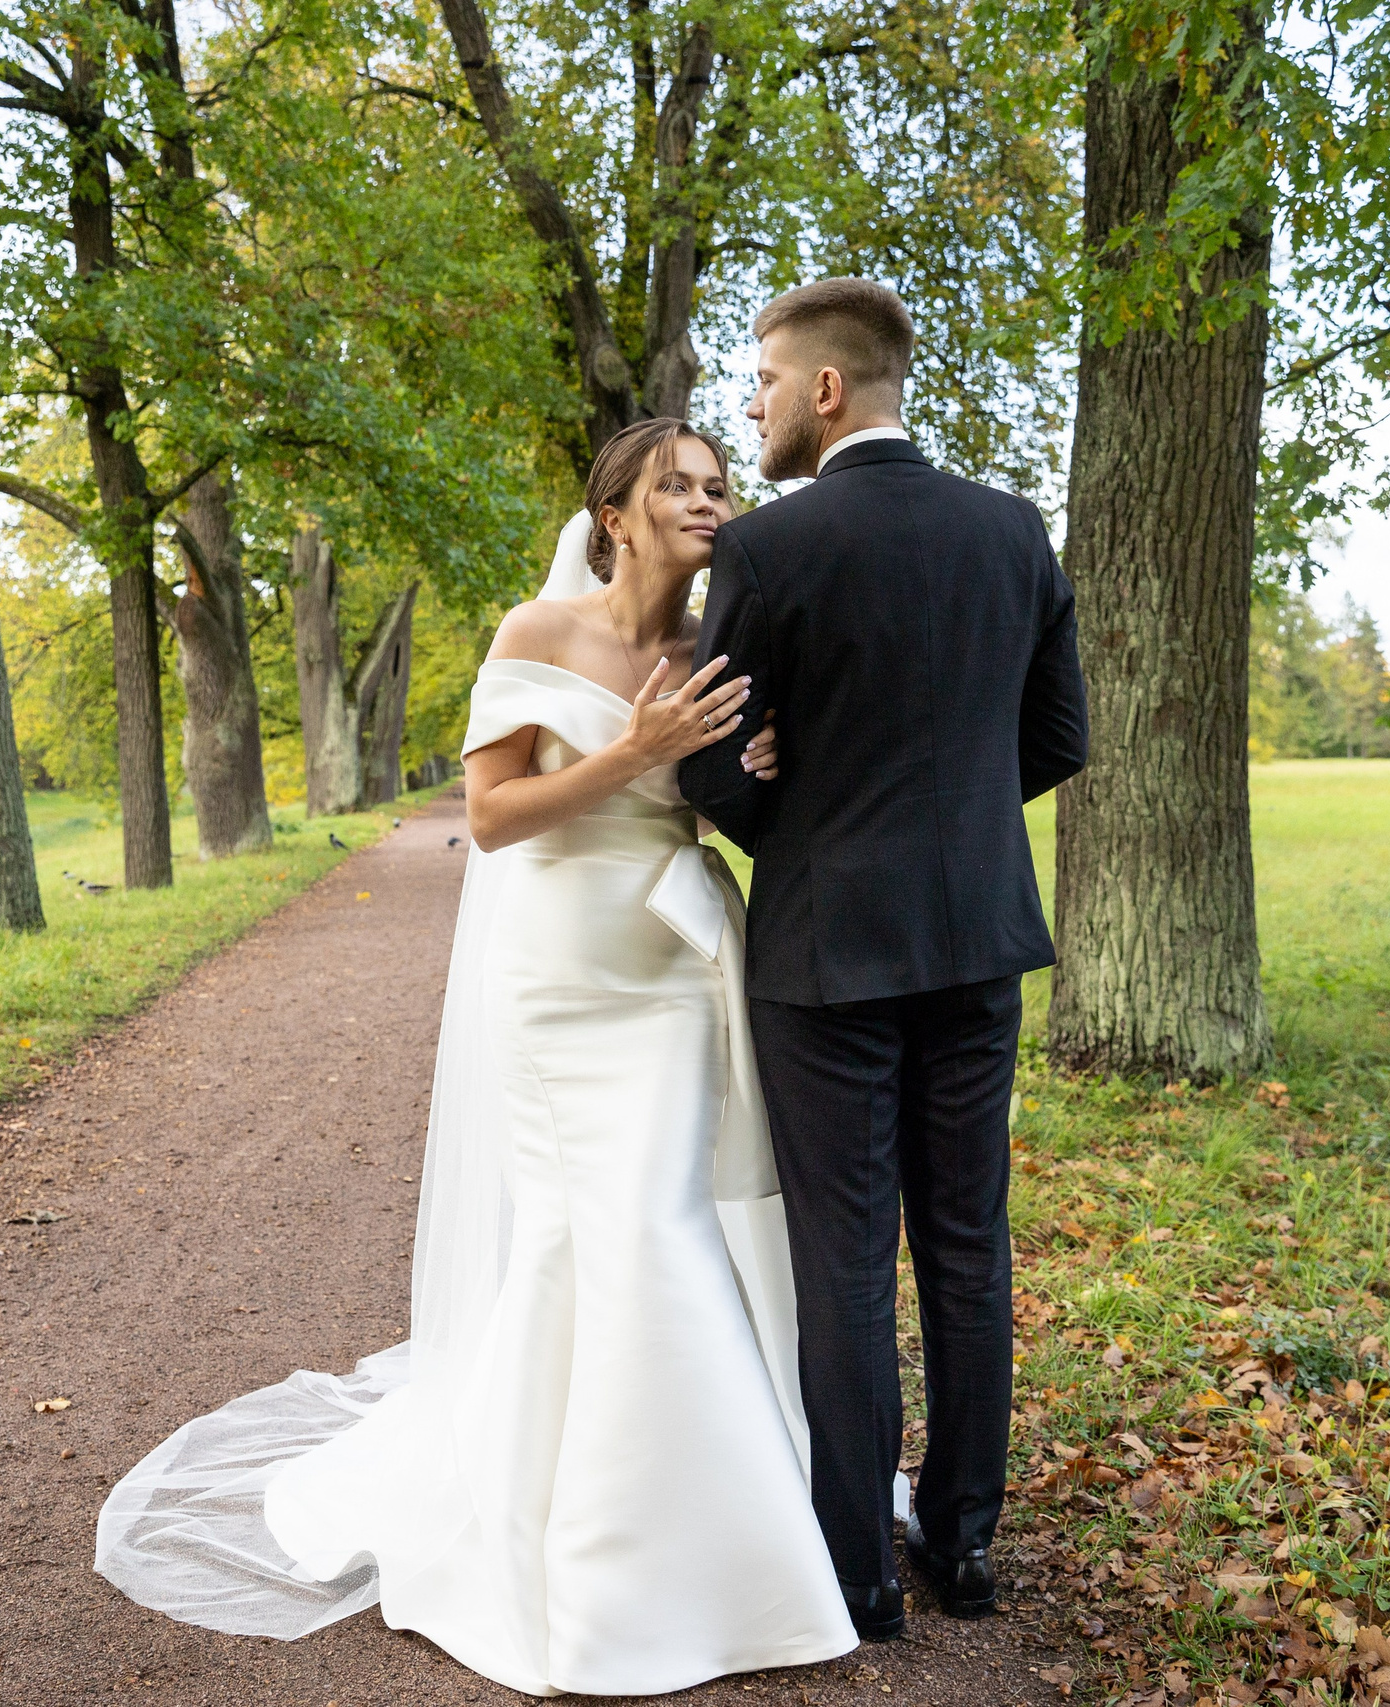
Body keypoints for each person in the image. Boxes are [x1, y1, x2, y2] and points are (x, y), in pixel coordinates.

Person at [95, 418, 860, 1697]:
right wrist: (632, 754)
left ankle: (699, 1544)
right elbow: (495, 817)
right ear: (612, 517)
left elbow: (743, 811)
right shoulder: (535, 632)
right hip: (562, 971)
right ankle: (585, 1555)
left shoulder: (718, 650)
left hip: (676, 967)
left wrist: (759, 769)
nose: (706, 501)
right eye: (675, 484)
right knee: (589, 1234)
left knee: (664, 1222)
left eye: (719, 485)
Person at [679, 278, 1089, 1641]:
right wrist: (949, 829)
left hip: (826, 955)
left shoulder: (768, 548)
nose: (754, 407)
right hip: (977, 943)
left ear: (826, 388)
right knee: (967, 1243)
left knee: (847, 1256)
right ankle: (962, 1543)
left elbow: (701, 757)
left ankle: (858, 1569)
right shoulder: (1011, 529)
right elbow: (1058, 736)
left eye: (763, 381)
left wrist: (809, 834)